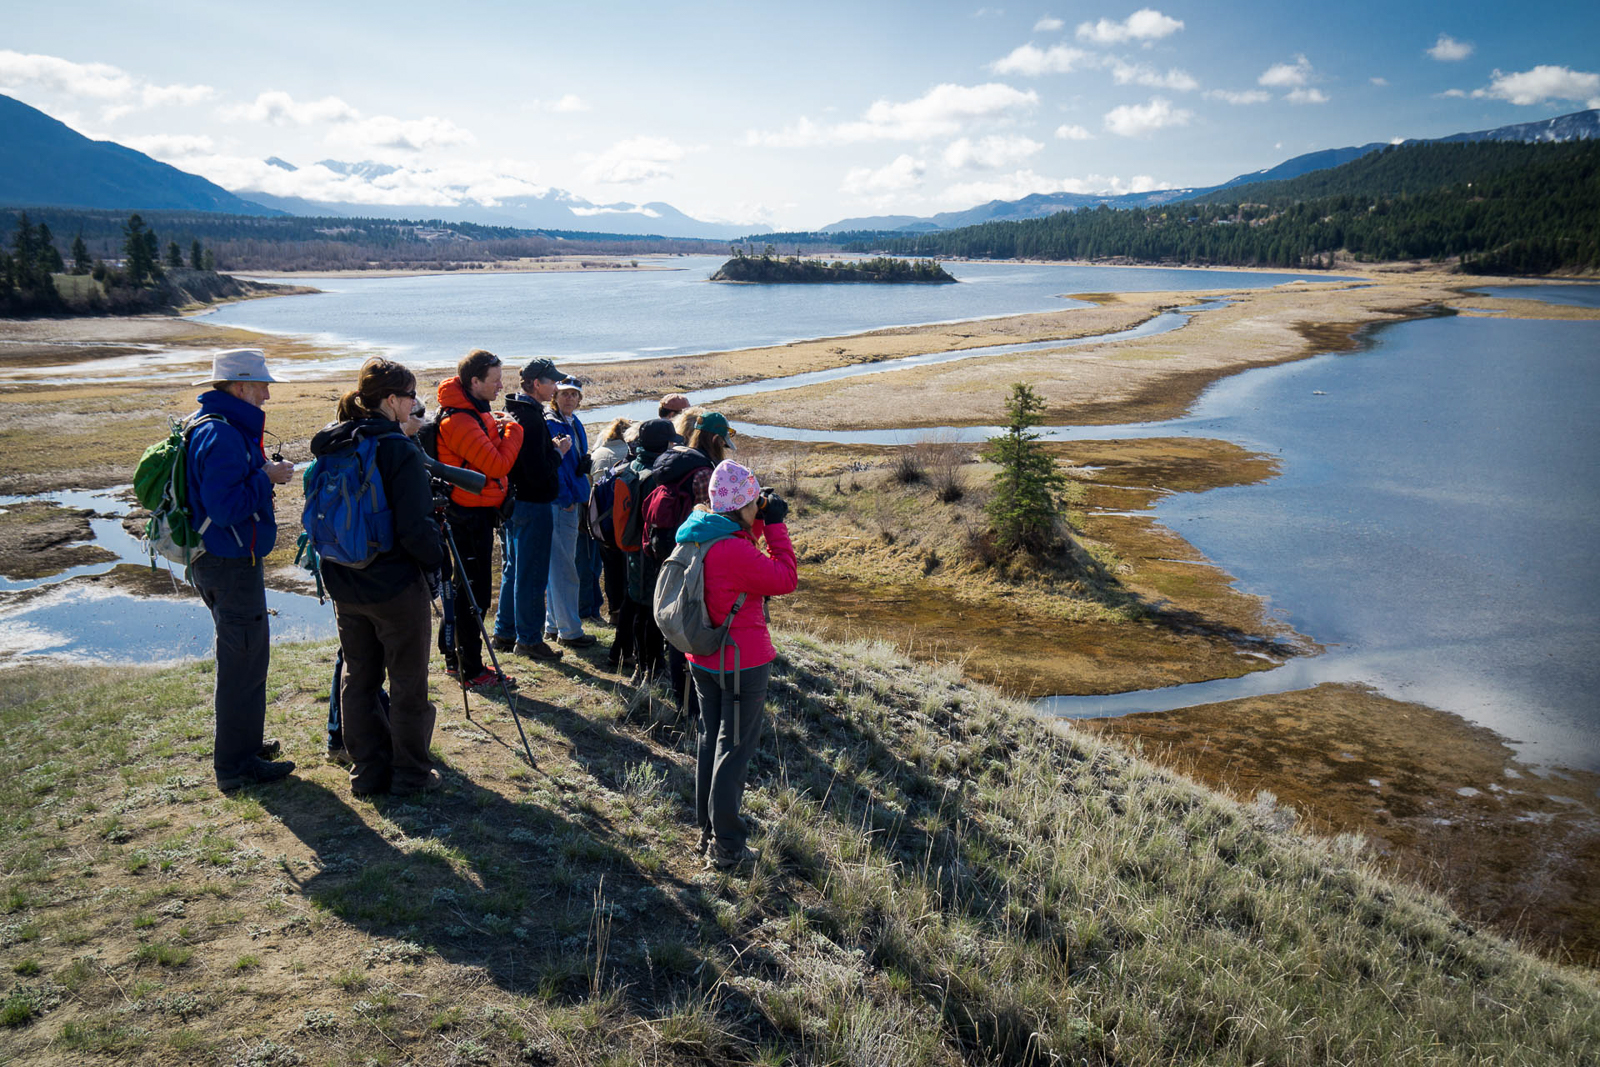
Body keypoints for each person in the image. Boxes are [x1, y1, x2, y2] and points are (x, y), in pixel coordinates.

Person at [310, 358, 443, 797]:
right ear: (391, 400)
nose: (414, 404)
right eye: (410, 396)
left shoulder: (336, 443)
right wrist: (434, 565)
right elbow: (414, 527)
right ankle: (410, 775)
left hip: (344, 578)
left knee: (358, 678)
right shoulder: (397, 449)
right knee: (408, 681)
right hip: (394, 583)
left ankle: (366, 774)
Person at [185, 349, 297, 792]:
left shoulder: (215, 425)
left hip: (219, 560)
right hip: (229, 562)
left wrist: (262, 474)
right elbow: (226, 506)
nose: (268, 393)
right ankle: (235, 766)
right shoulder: (224, 433)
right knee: (244, 661)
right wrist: (267, 477)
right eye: (262, 385)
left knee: (242, 656)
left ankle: (244, 746)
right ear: (240, 387)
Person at [676, 460, 797, 869]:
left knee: (712, 739)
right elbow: (783, 578)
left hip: (703, 657)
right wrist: (777, 527)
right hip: (741, 663)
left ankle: (708, 828)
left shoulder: (701, 530)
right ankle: (727, 846)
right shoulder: (733, 550)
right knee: (735, 748)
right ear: (742, 505)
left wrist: (757, 520)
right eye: (754, 502)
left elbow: (738, 546)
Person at [434, 349, 524, 689]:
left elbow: (486, 452)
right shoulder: (458, 420)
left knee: (466, 590)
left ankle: (458, 660)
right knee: (473, 594)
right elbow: (498, 466)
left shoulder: (473, 412)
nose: (501, 385)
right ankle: (470, 670)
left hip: (476, 512)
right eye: (495, 380)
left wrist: (497, 426)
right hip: (467, 516)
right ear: (474, 381)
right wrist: (514, 430)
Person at [650, 411, 736, 711]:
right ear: (715, 438)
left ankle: (681, 696)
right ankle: (689, 703)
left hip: (668, 549)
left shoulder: (678, 458)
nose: (724, 448)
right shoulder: (703, 472)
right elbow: (709, 518)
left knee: (674, 616)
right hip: (693, 555)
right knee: (689, 623)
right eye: (722, 442)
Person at [493, 358, 570, 662]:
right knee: (532, 572)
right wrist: (558, 452)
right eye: (552, 382)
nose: (556, 387)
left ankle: (505, 631)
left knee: (514, 568)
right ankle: (529, 639)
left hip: (511, 501)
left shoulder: (513, 412)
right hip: (533, 503)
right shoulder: (533, 419)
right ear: (537, 384)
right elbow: (538, 473)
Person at [625, 417, 680, 680]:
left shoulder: (632, 464)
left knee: (638, 606)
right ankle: (653, 667)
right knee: (651, 609)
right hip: (649, 551)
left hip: (632, 549)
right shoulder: (656, 475)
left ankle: (640, 665)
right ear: (664, 444)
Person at [544, 377, 595, 647]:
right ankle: (570, 631)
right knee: (565, 568)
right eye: (565, 394)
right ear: (555, 395)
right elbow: (557, 467)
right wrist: (566, 497)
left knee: (558, 565)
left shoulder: (572, 422)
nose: (569, 399)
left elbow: (573, 461)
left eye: (574, 395)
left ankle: (554, 625)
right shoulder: (553, 423)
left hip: (570, 498)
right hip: (562, 502)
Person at [589, 418, 633, 667]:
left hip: (603, 526)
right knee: (629, 573)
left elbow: (590, 485)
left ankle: (613, 611)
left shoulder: (600, 452)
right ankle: (624, 615)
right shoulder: (629, 454)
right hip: (625, 525)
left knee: (610, 570)